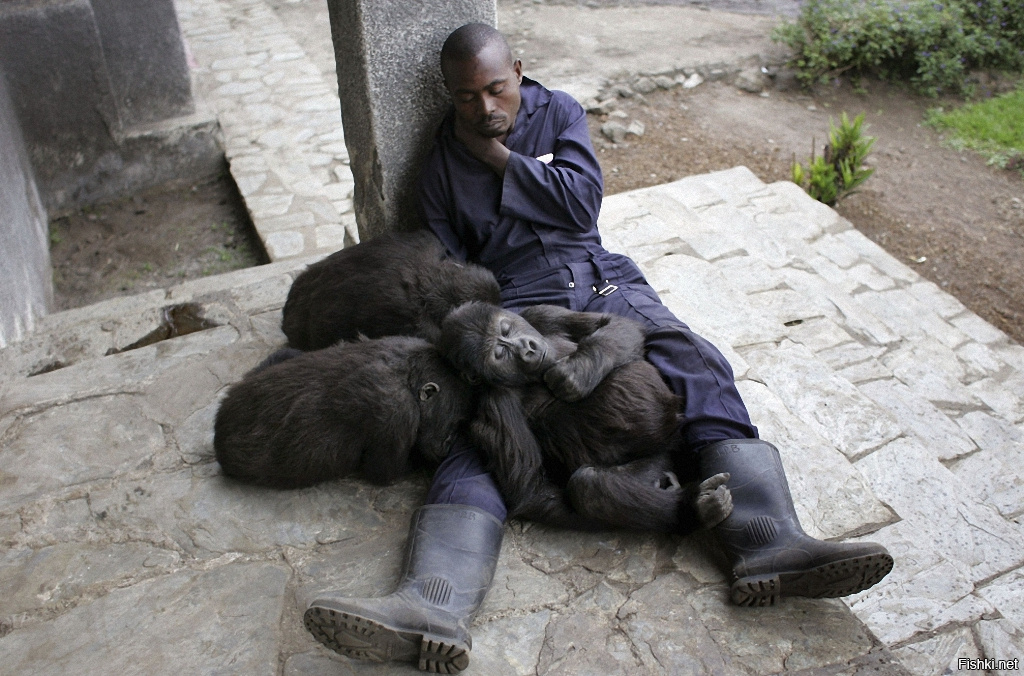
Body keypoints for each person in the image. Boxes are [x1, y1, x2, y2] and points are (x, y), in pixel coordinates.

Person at [304, 23, 893, 673]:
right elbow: (454, 262)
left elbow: (582, 207)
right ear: (450, 95)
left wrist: (499, 160)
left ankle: (768, 541)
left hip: (603, 278)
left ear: (518, 72)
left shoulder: (561, 114)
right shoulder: (442, 162)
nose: (483, 109)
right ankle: (431, 601)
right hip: (525, 302)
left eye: (496, 90)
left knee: (694, 361)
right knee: (490, 427)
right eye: (465, 98)